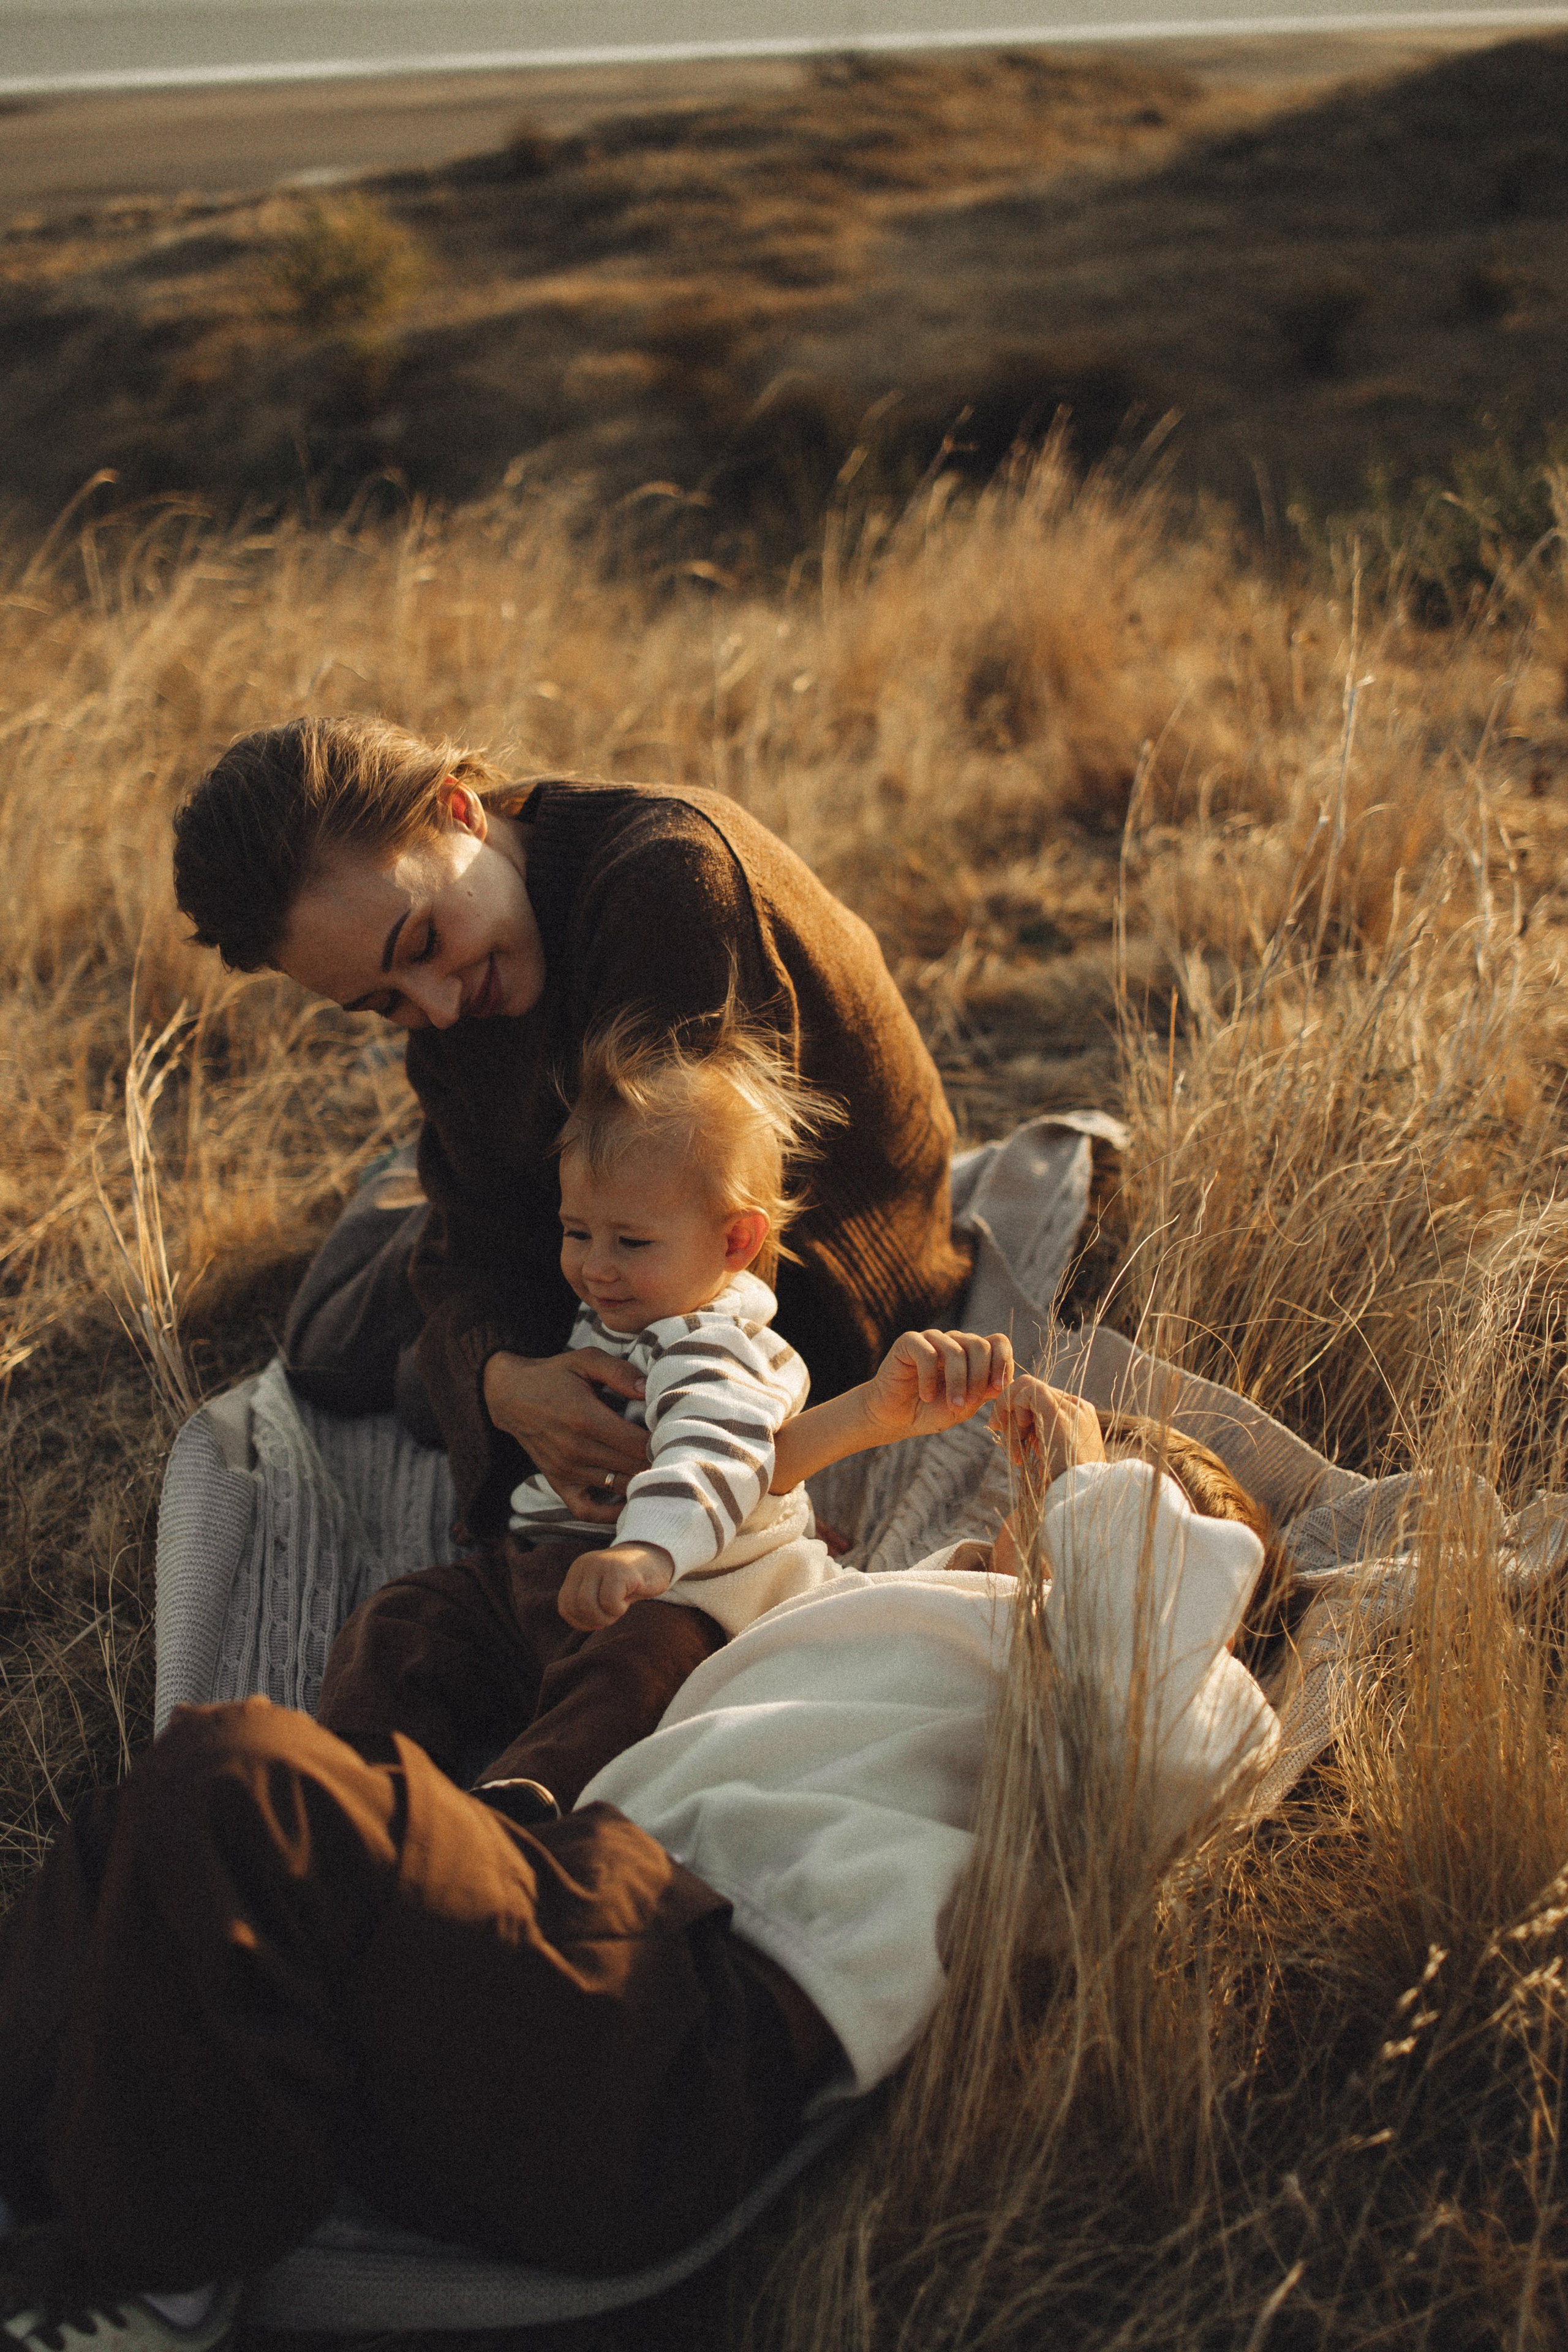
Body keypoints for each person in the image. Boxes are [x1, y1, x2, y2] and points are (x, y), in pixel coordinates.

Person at [0, 1378, 1283, 2352]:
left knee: (241, 1785)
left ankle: (151, 2278)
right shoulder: (887, 1598)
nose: (1037, 1513)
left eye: (1138, 1512)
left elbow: (1145, 1730)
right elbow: (735, 1522)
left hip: (687, 2014)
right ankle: (33, 2170)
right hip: (575, 1922)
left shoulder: (1152, 1682)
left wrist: (1092, 1475)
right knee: (143, 1823)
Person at [170, 718, 973, 1538]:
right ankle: (406, 1197)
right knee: (333, 1345)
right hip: (598, 1221)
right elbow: (486, 1248)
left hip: (788, 1276)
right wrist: (499, 1381)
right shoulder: (458, 992)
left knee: (409, 1375)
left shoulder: (666, 889)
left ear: (458, 811)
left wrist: (496, 1381)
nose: (439, 1009)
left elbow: (708, 1281)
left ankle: (400, 1194)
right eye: (385, 1003)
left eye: (424, 941)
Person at [317, 1006, 1014, 1816]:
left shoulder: (718, 1349)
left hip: (675, 1598)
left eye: (630, 1243)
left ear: (734, 1242)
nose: (593, 1268)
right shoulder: (627, 1313)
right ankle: (351, 1783)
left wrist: (645, 1556)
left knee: (636, 1678)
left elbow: (713, 1461)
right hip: (539, 1580)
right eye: (577, 1233)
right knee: (404, 1621)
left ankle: (529, 1804)